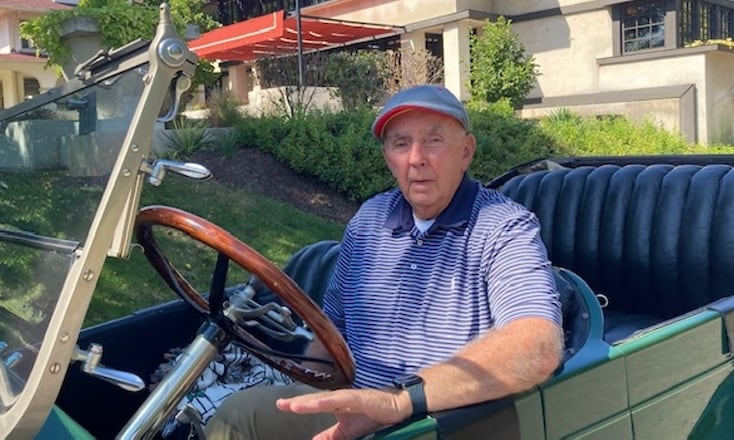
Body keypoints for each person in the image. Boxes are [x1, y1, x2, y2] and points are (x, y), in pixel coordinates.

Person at [203, 84, 564, 440]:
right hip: (355, 409)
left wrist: (402, 399)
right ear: (387, 157)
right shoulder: (369, 220)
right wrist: (301, 382)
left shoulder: (502, 225)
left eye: (434, 140)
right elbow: (332, 334)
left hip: (440, 420)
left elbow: (537, 346)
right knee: (235, 417)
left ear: (466, 151)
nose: (416, 158)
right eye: (401, 143)